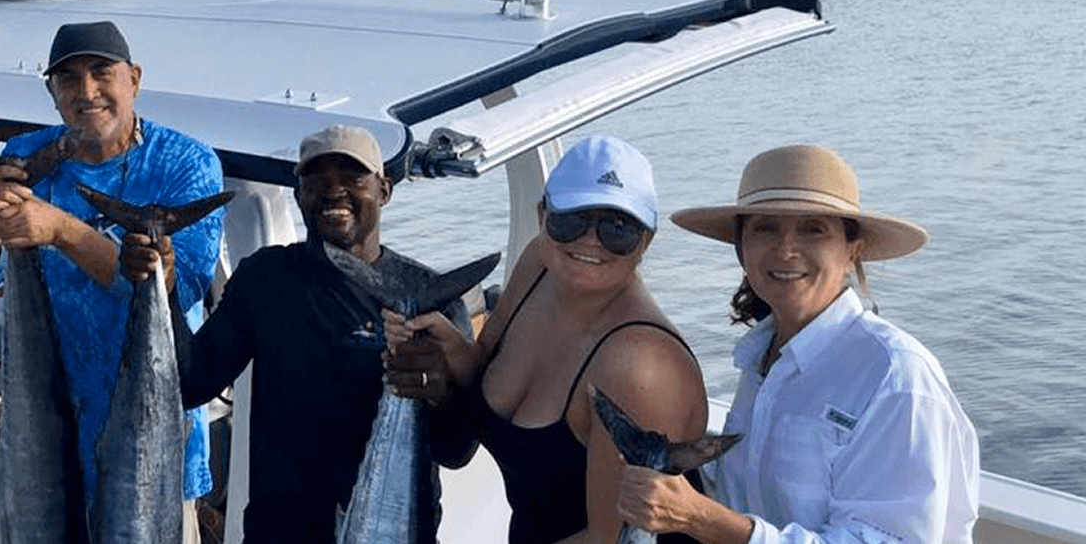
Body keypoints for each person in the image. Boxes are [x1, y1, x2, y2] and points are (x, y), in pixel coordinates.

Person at [614, 145, 979, 544]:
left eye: (813, 228)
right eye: (765, 228)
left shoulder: (895, 375)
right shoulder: (760, 360)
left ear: (851, 250)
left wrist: (702, 518)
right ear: (743, 249)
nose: (786, 249)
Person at [0, 20, 220, 540]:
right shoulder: (26, 156)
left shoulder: (188, 164)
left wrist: (62, 230)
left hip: (153, 440)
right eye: (69, 79)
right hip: (47, 433)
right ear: (51, 93)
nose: (87, 91)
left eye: (102, 73)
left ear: (134, 79)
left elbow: (176, 290)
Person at [384, 136, 709, 544]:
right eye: (571, 219)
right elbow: (483, 364)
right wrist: (452, 348)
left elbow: (608, 539)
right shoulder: (539, 263)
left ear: (646, 241)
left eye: (617, 228)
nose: (590, 241)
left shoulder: (640, 366)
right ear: (542, 216)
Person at [147, 124, 460, 544]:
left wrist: (438, 392)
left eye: (353, 177)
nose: (334, 191)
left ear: (384, 190)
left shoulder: (429, 305)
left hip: (395, 528)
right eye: (317, 180)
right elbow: (190, 383)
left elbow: (456, 451)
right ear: (298, 193)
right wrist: (163, 288)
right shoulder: (265, 279)